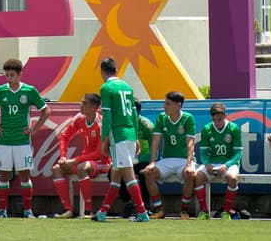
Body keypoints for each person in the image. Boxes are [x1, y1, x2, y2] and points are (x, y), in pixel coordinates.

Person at [0, 58, 50, 218]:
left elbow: (46, 111)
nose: (9, 78)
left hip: (22, 141)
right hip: (4, 140)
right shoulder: (0, 91)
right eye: (7, 75)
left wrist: (34, 129)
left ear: (20, 74)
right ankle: (2, 211)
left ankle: (28, 211)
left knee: (24, 175)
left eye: (12, 75)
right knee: (3, 175)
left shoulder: (29, 91)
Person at [93, 57, 150, 222]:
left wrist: (104, 139)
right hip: (130, 134)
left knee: (128, 175)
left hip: (118, 136)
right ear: (116, 70)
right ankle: (102, 212)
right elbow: (133, 114)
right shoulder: (127, 87)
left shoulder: (106, 87)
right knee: (117, 175)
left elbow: (107, 116)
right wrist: (136, 136)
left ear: (102, 71)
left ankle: (142, 212)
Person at [143, 91, 199, 219]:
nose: (164, 106)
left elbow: (190, 143)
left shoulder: (188, 118)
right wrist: (152, 162)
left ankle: (184, 210)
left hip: (184, 160)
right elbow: (156, 140)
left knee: (190, 174)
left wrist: (189, 164)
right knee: (148, 173)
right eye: (165, 103)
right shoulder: (162, 118)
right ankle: (159, 209)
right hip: (166, 160)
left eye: (168, 104)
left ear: (178, 105)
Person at [51, 93, 105, 218]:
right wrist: (63, 157)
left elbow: (99, 153)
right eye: (81, 102)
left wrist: (74, 160)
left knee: (81, 167)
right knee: (57, 169)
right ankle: (68, 210)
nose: (81, 105)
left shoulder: (100, 123)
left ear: (94, 107)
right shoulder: (79, 119)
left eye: (85, 103)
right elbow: (64, 136)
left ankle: (87, 211)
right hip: (85, 161)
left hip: (102, 162)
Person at [195, 102, 242, 219]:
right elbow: (203, 152)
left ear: (226, 115)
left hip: (228, 163)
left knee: (232, 179)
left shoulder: (234, 128)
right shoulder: (207, 129)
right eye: (215, 119)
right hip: (212, 162)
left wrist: (227, 165)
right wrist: (206, 164)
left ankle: (226, 212)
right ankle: (204, 211)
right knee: (197, 177)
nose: (218, 122)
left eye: (220, 119)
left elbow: (238, 153)